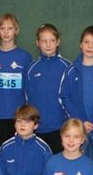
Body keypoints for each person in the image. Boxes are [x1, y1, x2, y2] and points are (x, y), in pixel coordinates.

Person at [59, 25, 93, 165]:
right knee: (78, 166)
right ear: (80, 44)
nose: (90, 46)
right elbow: (64, 97)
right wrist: (80, 121)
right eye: (86, 42)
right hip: (77, 131)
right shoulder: (71, 71)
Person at [0, 13, 32, 149]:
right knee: (2, 153)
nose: (6, 32)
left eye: (10, 28)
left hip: (20, 117)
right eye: (2, 28)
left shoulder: (25, 57)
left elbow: (29, 89)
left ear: (16, 31)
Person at [24, 24, 71, 154]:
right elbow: (26, 98)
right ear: (38, 43)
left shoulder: (67, 67)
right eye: (44, 41)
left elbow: (72, 98)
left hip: (60, 128)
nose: (48, 44)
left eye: (52, 41)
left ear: (58, 42)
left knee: (58, 164)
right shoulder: (31, 68)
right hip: (36, 129)